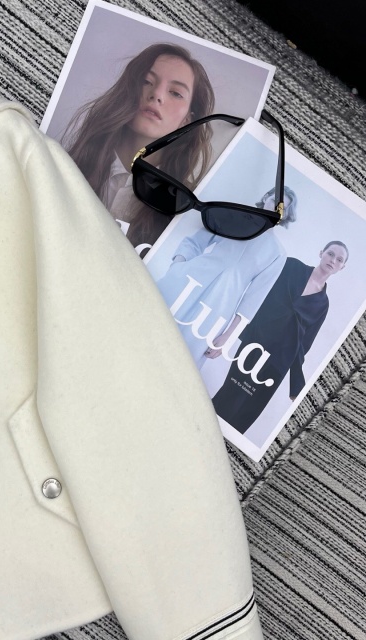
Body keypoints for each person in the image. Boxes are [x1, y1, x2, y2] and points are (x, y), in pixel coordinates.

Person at [64, 42, 215, 246]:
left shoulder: (186, 211)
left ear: (188, 119)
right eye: (146, 81)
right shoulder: (70, 162)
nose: (157, 95)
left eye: (175, 93)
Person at [152, 186, 298, 367]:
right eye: (274, 200)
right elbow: (195, 242)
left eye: (283, 208)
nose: (276, 208)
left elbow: (253, 300)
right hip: (188, 281)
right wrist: (177, 267)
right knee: (151, 325)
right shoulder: (235, 218)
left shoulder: (277, 253)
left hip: (219, 307)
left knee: (183, 360)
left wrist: (228, 337)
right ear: (265, 197)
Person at [211, 241, 349, 433]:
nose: (333, 260)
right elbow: (257, 296)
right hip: (255, 345)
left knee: (245, 415)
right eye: (331, 254)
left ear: (342, 267)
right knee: (229, 397)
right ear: (321, 253)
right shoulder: (291, 266)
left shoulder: (323, 304)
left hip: (278, 364)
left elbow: (303, 345)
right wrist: (229, 335)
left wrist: (296, 386)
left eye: (339, 259)